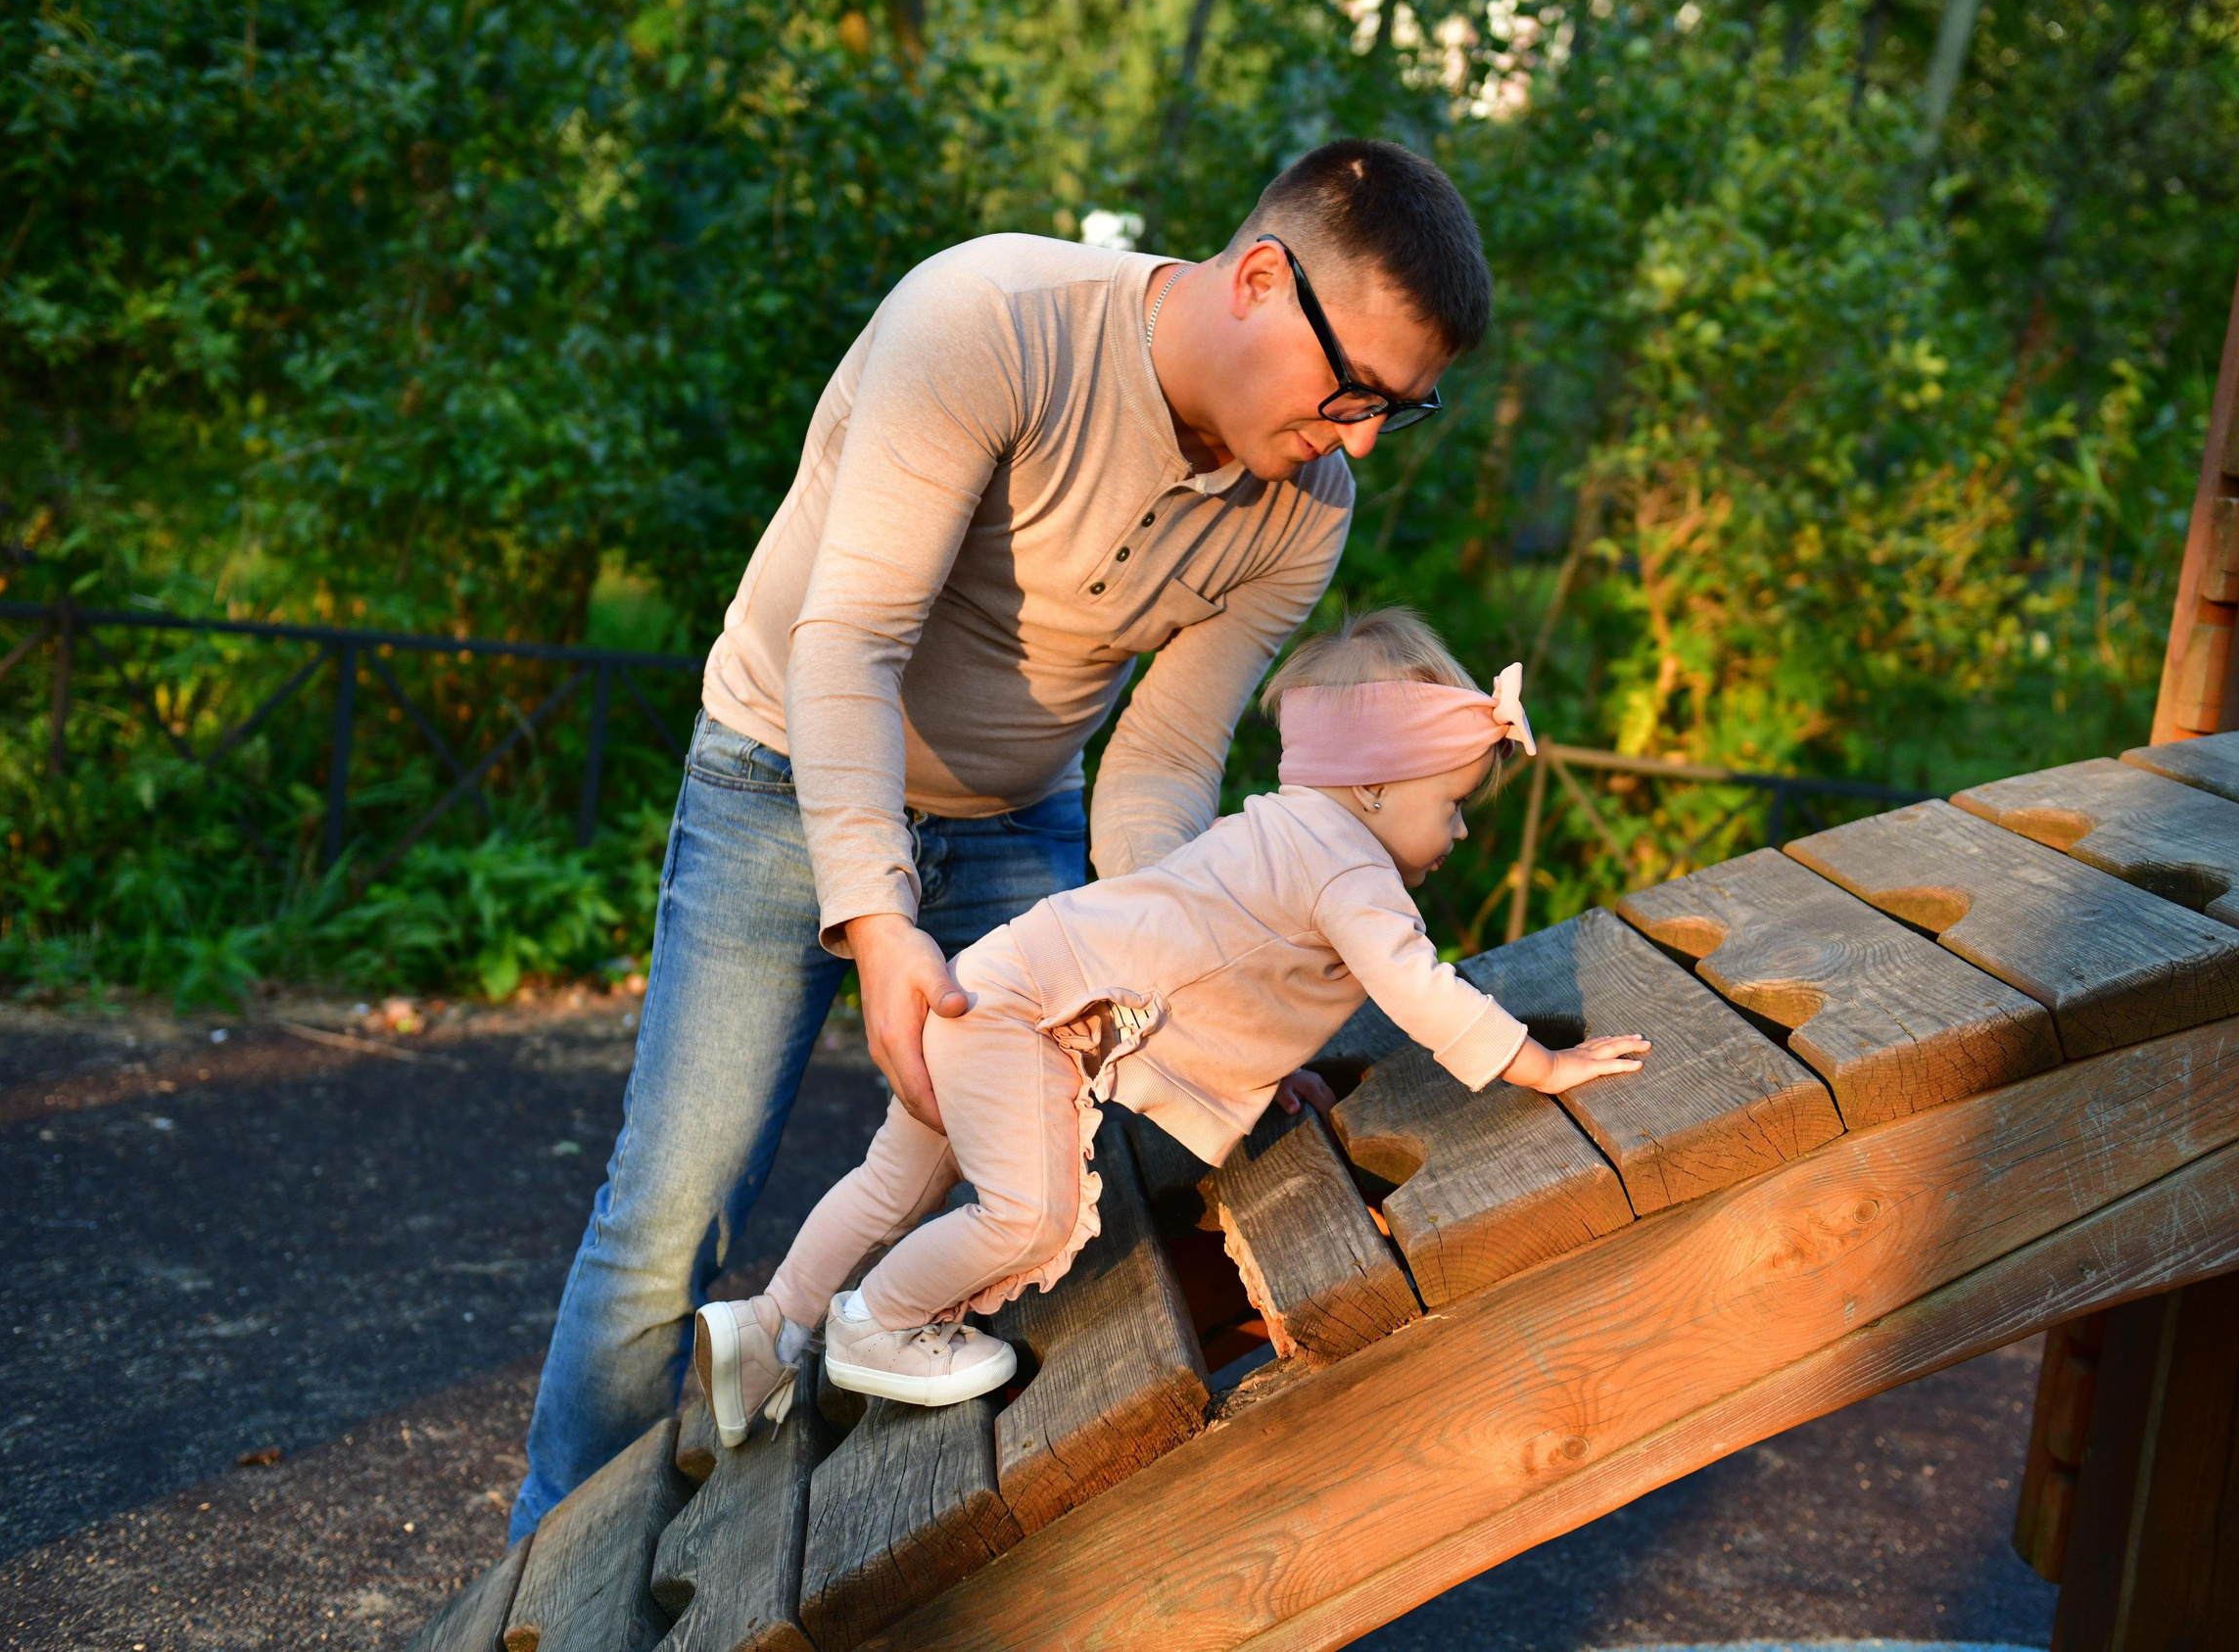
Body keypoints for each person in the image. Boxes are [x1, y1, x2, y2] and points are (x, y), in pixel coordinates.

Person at [510, 138, 1496, 1533]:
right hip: (782, 767)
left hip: (1017, 807)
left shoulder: (1305, 507)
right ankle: (550, 1567)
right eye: (1354, 391)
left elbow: (1159, 765)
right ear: (1263, 278)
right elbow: (847, 641)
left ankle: (888, 1537)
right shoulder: (989, 321)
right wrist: (877, 916)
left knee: (1062, 1163)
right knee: (680, 1201)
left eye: (1403, 408)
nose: (1359, 440)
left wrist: (1209, 990)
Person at [692, 608, 1650, 1431]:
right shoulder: (1354, 871)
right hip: (1031, 1021)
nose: (1461, 830)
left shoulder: (1275, 831)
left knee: (890, 1179)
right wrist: (1537, 1064)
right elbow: (1419, 989)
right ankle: (883, 1323)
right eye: (1450, 802)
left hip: (999, 984)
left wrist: (1268, 1072)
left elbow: (1219, 973)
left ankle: (767, 1329)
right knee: (1029, 1214)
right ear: (1373, 788)